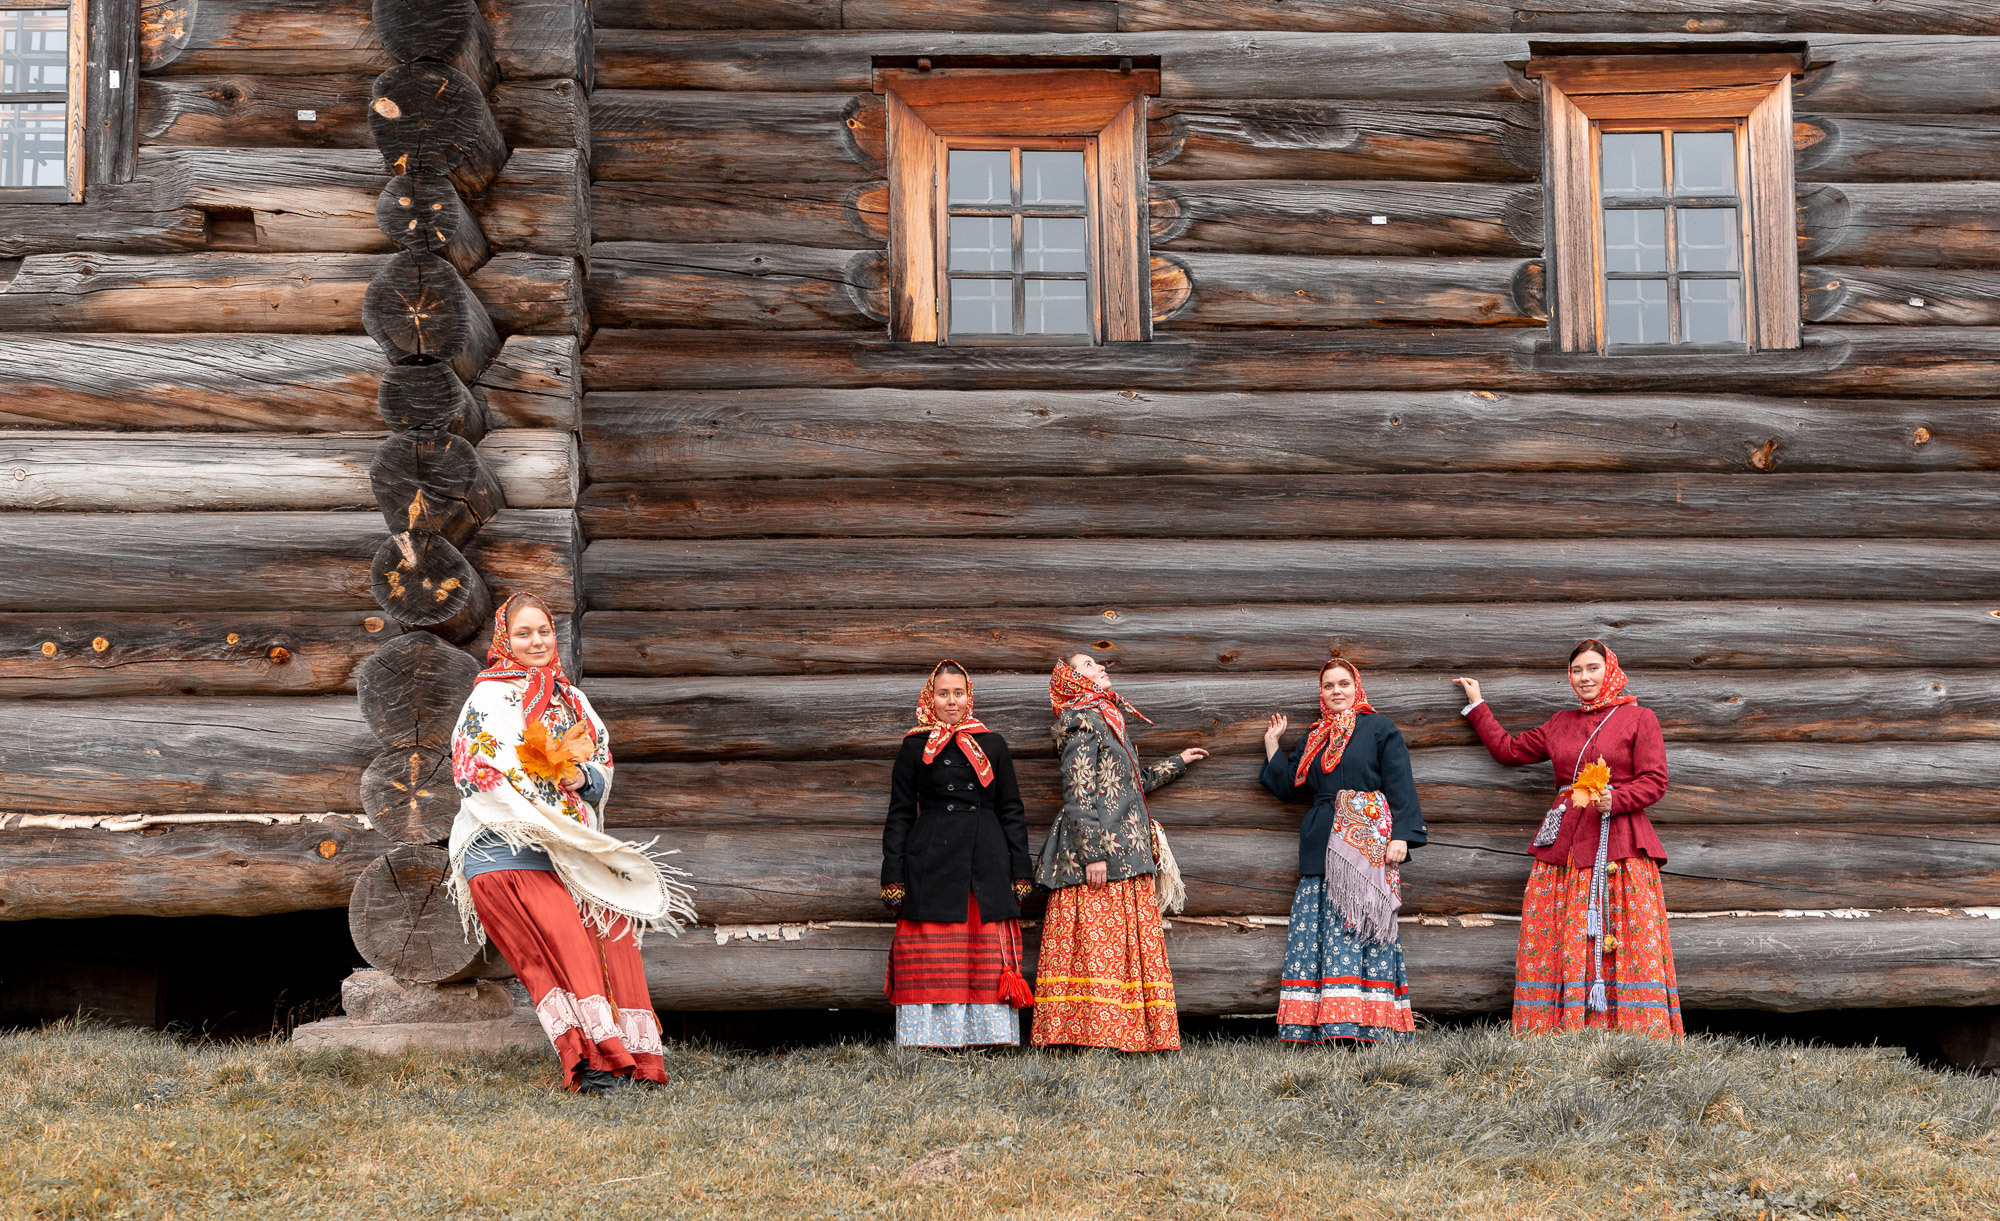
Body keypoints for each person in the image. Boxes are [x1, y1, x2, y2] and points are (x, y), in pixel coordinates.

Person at [446, 592, 697, 1093]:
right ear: (504, 640)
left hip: (570, 852)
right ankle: (592, 1065)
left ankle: (636, 1063)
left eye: (543, 631)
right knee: (563, 951)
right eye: (523, 633)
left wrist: (583, 777)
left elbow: (601, 762)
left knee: (615, 932)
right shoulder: (490, 698)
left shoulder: (571, 699)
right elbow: (481, 769)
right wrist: (542, 800)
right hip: (506, 848)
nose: (536, 641)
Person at [1454, 639, 1680, 1039]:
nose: (1584, 677)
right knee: (1560, 930)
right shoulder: (1559, 723)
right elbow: (1508, 751)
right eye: (1576, 671)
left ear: (1609, 671)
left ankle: (1631, 1027)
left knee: (1624, 929)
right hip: (1566, 845)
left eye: (1592, 668)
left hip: (1620, 842)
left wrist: (1619, 797)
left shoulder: (1640, 718)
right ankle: (1560, 1024)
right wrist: (1478, 704)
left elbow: (1656, 781)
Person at [1031, 654, 1208, 1052]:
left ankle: (1126, 1033)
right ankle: (1089, 1034)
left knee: (1122, 946)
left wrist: (1177, 763)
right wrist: (1093, 854)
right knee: (1095, 945)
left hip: (1127, 850)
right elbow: (1077, 793)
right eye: (1090, 665)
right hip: (1098, 855)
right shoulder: (1082, 721)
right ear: (1075, 679)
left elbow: (1131, 784)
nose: (1101, 667)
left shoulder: (1108, 719)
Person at [1259, 656, 1426, 1044]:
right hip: (1321, 841)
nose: (1337, 692)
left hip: (1369, 844)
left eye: (1344, 684)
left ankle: (1367, 1023)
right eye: (1329, 686)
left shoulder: (1380, 728)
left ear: (1357, 687)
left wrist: (1401, 836)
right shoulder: (1313, 736)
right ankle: (1320, 1024)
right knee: (1319, 927)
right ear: (1322, 693)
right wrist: (1272, 745)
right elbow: (1287, 788)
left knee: (1361, 924)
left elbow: (1401, 784)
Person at [880, 660, 1036, 1048]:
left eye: (959, 693)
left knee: (982, 946)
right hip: (931, 859)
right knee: (932, 946)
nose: (952, 701)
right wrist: (893, 875)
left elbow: (1011, 810)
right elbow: (900, 813)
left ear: (970, 697)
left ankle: (988, 1034)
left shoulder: (993, 744)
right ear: (930, 698)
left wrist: (1020, 869)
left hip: (985, 857)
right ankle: (930, 1036)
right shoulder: (914, 747)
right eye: (943, 693)